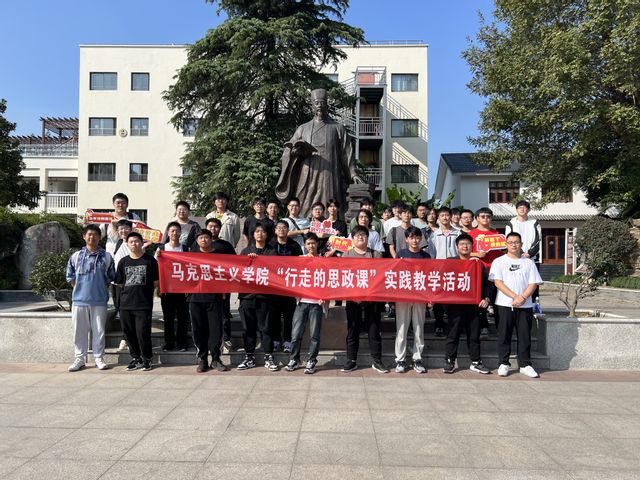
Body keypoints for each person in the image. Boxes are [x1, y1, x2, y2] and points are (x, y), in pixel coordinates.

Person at [276, 88, 361, 217]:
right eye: (316, 103)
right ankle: (303, 224)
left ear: (327, 105)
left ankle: (330, 225)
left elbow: (346, 154)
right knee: (303, 204)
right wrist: (293, 152)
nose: (319, 106)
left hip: (329, 173)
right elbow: (288, 150)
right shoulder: (303, 128)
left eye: (322, 103)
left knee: (330, 204)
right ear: (312, 106)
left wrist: (353, 174)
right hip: (307, 173)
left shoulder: (338, 128)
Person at [489, 232, 543, 378]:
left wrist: (523, 297)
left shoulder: (528, 263)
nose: (514, 245)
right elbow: (498, 282)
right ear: (506, 244)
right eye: (511, 242)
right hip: (504, 304)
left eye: (517, 242)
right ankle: (503, 363)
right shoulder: (499, 262)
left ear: (521, 244)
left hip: (525, 305)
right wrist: (515, 296)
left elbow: (533, 283)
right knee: (504, 335)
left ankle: (525, 365)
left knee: (524, 336)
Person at [66, 224, 115, 372]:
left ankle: (99, 358)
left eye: (95, 234)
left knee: (99, 330)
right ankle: (79, 358)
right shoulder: (76, 256)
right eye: (89, 234)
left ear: (100, 237)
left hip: (99, 300)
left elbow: (110, 277)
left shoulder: (106, 257)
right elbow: (70, 276)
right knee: (79, 331)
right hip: (79, 300)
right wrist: (80, 288)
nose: (92, 237)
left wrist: (98, 288)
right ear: (84, 236)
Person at [341, 225, 388, 373]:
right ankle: (351, 360)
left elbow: (381, 276)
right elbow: (342, 277)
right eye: (357, 235)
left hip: (372, 299)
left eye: (363, 235)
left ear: (368, 238)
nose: (360, 237)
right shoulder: (346, 255)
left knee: (374, 330)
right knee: (352, 330)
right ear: (352, 239)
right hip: (353, 299)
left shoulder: (376, 254)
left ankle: (377, 360)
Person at [443, 233, 491, 374]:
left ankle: (476, 362)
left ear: (472, 246)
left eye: (468, 244)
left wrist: (486, 298)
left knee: (474, 335)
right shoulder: (450, 262)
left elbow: (487, 284)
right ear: (457, 247)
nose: (465, 246)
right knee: (453, 334)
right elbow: (442, 281)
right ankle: (449, 361)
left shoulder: (478, 264)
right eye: (462, 244)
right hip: (455, 305)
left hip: (474, 306)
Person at [238, 223, 279, 371]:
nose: (259, 234)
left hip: (265, 297)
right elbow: (238, 271)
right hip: (247, 297)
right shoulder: (245, 251)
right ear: (253, 235)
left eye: (262, 231)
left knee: (266, 328)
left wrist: (259, 260)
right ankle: (249, 357)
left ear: (267, 235)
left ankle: (268, 356)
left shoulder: (272, 252)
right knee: (248, 328)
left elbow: (274, 269)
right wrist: (248, 261)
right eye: (257, 231)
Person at [115, 232, 159, 372]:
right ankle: (136, 358)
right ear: (127, 244)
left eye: (137, 241)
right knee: (128, 333)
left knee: (142, 333)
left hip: (143, 304)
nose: (134, 244)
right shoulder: (123, 262)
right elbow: (120, 283)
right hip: (126, 304)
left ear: (142, 243)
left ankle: (147, 359)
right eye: (131, 242)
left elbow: (155, 282)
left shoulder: (150, 260)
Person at [188, 229, 229, 373]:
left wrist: (224, 292)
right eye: (201, 238)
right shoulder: (191, 256)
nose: (204, 240)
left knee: (216, 330)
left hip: (215, 298)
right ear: (197, 240)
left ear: (211, 239)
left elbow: (226, 274)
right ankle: (203, 359)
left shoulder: (220, 255)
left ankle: (216, 359)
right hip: (195, 298)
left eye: (206, 237)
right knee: (198, 330)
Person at [286, 233, 324, 374]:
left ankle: (312, 360)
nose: (311, 246)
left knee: (315, 335)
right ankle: (294, 359)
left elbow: (328, 281)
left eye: (313, 243)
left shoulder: (324, 261)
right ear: (305, 245)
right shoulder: (300, 260)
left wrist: (325, 296)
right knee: (296, 334)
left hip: (317, 303)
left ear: (317, 244)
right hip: (301, 302)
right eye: (308, 243)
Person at [394, 226, 430, 374]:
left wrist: (429, 297)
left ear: (421, 239)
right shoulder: (401, 254)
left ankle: (417, 358)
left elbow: (429, 277)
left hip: (420, 296)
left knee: (419, 328)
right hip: (403, 296)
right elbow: (394, 274)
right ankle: (400, 359)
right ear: (407, 239)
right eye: (411, 237)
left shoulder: (426, 256)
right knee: (401, 328)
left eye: (417, 237)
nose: (414, 240)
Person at [200, 217, 236, 352]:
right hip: (204, 284)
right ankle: (209, 339)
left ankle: (226, 338)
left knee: (224, 312)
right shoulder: (197, 245)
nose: (213, 229)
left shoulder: (226, 246)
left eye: (216, 226)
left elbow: (235, 263)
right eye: (210, 226)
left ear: (220, 229)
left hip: (222, 284)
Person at [469, 207, 503, 339]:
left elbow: (502, 252)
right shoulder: (472, 234)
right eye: (482, 216)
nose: (485, 219)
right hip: (479, 272)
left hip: (496, 272)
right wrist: (476, 254)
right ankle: (483, 327)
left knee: (497, 300)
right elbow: (464, 252)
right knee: (481, 300)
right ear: (477, 218)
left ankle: (501, 329)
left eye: (488, 216)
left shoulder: (496, 234)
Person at [269, 220, 302, 352]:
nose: (281, 230)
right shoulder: (270, 245)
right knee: (275, 315)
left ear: (288, 230)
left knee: (289, 315)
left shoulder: (294, 245)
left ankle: (288, 340)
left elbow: (301, 263)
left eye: (284, 228)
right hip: (274, 286)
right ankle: (276, 339)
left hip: (289, 285)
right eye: (279, 227)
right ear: (275, 230)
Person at [156, 222, 190, 352]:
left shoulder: (186, 249)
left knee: (183, 317)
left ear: (181, 233)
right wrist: (158, 287)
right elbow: (157, 269)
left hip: (182, 288)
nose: (175, 233)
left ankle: (182, 343)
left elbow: (189, 268)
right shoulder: (161, 249)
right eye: (172, 231)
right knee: (168, 317)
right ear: (168, 233)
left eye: (177, 230)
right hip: (167, 289)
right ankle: (169, 342)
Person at [428, 207, 462, 337]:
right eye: (442, 215)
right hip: (439, 270)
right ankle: (439, 324)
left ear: (451, 217)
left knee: (454, 298)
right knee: (438, 299)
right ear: (438, 218)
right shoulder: (434, 235)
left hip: (455, 270)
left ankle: (454, 326)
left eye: (447, 215)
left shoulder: (458, 233)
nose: (445, 218)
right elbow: (432, 254)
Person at [504, 199, 542, 300]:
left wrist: (529, 254)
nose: (522, 209)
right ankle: (515, 300)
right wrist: (519, 253)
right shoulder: (511, 223)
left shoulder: (534, 222)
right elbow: (508, 240)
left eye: (524, 207)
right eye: (520, 207)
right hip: (515, 257)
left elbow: (538, 240)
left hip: (532, 258)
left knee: (533, 282)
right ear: (516, 209)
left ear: (528, 210)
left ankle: (534, 304)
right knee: (515, 281)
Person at [101, 193, 141, 257]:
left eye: (123, 203)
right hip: (111, 256)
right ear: (113, 204)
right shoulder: (108, 218)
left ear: (127, 204)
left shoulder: (134, 217)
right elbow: (98, 236)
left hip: (130, 256)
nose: (120, 205)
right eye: (118, 203)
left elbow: (141, 235)